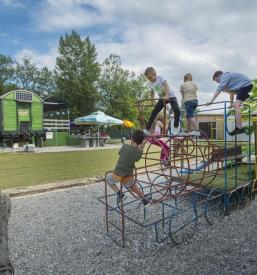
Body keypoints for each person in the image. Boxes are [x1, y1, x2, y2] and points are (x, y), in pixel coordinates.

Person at [105, 130, 151, 206]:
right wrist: (141, 148)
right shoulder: (139, 152)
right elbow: (137, 159)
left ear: (132, 139)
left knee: (107, 178)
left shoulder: (125, 146)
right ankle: (144, 200)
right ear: (141, 142)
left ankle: (120, 193)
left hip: (118, 174)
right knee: (133, 186)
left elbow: (119, 153)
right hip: (128, 175)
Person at [206, 71, 253, 135]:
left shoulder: (224, 76)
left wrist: (211, 101)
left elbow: (218, 89)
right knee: (225, 90)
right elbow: (231, 93)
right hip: (243, 87)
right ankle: (245, 95)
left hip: (245, 86)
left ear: (219, 76)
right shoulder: (228, 81)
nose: (217, 82)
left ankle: (239, 128)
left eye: (216, 80)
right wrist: (231, 104)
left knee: (236, 106)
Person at [143, 67, 181, 136]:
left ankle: (175, 127)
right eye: (148, 79)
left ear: (154, 74)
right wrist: (152, 101)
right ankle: (147, 129)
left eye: (150, 78)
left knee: (177, 110)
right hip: (163, 98)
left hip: (171, 95)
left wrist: (167, 95)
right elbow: (152, 92)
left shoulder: (160, 78)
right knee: (154, 111)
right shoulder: (151, 83)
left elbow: (166, 86)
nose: (150, 80)